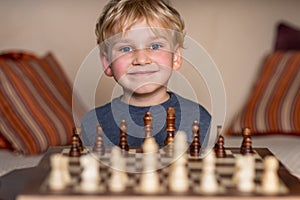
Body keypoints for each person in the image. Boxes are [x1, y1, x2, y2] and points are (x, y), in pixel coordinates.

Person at [81, 0, 211, 147]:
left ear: (175, 57)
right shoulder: (92, 123)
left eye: (155, 46)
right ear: (107, 63)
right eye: (126, 49)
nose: (141, 60)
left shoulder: (199, 118)